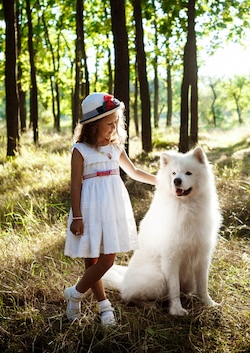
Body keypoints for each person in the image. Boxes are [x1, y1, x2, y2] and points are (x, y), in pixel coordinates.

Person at [63, 92, 156, 326]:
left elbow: (134, 172)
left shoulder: (116, 148)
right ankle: (104, 305)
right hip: (89, 208)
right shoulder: (80, 150)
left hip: (112, 207)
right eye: (109, 123)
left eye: (116, 122)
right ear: (93, 126)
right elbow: (75, 185)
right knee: (92, 260)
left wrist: (161, 180)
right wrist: (77, 216)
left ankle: (75, 295)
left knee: (107, 260)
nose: (114, 127)